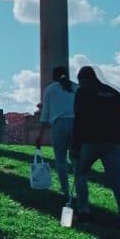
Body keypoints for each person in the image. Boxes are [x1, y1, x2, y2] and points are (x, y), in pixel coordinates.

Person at [69, 66, 120, 235]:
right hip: (113, 142)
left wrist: (75, 145)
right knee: (117, 180)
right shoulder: (113, 93)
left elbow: (80, 119)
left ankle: (84, 210)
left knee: (80, 175)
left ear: (82, 79)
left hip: (90, 141)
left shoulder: (83, 91)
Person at [32, 65, 77, 197]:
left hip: (59, 124)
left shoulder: (50, 90)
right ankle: (78, 188)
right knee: (76, 159)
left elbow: (45, 113)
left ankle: (65, 189)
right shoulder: (76, 87)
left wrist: (40, 134)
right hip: (76, 124)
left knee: (61, 159)